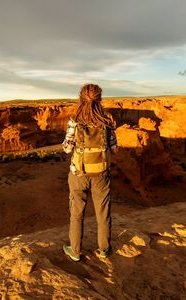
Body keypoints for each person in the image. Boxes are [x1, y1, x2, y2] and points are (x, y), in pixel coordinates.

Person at [62, 83, 118, 262]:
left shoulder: (74, 120)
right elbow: (115, 148)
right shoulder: (107, 120)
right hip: (101, 174)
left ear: (81, 98)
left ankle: (76, 251)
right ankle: (104, 249)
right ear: (99, 99)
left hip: (78, 174)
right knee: (103, 213)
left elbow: (67, 149)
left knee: (76, 213)